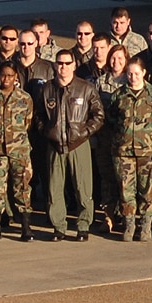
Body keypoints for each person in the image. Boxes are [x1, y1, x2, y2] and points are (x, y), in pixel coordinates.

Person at [37, 48, 104, 240]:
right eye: (60, 63)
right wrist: (47, 131)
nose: (63, 67)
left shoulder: (86, 88)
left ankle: (83, 226)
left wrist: (84, 133)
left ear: (74, 65)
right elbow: (38, 116)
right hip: (55, 145)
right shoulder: (47, 89)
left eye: (67, 63)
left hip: (79, 144)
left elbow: (98, 116)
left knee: (83, 187)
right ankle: (59, 226)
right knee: (54, 188)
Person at [0, 63, 37, 241]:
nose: (6, 79)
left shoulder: (25, 98)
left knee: (21, 187)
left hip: (19, 150)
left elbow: (28, 123)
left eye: (10, 76)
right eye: (3, 75)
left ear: (16, 78)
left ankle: (25, 226)